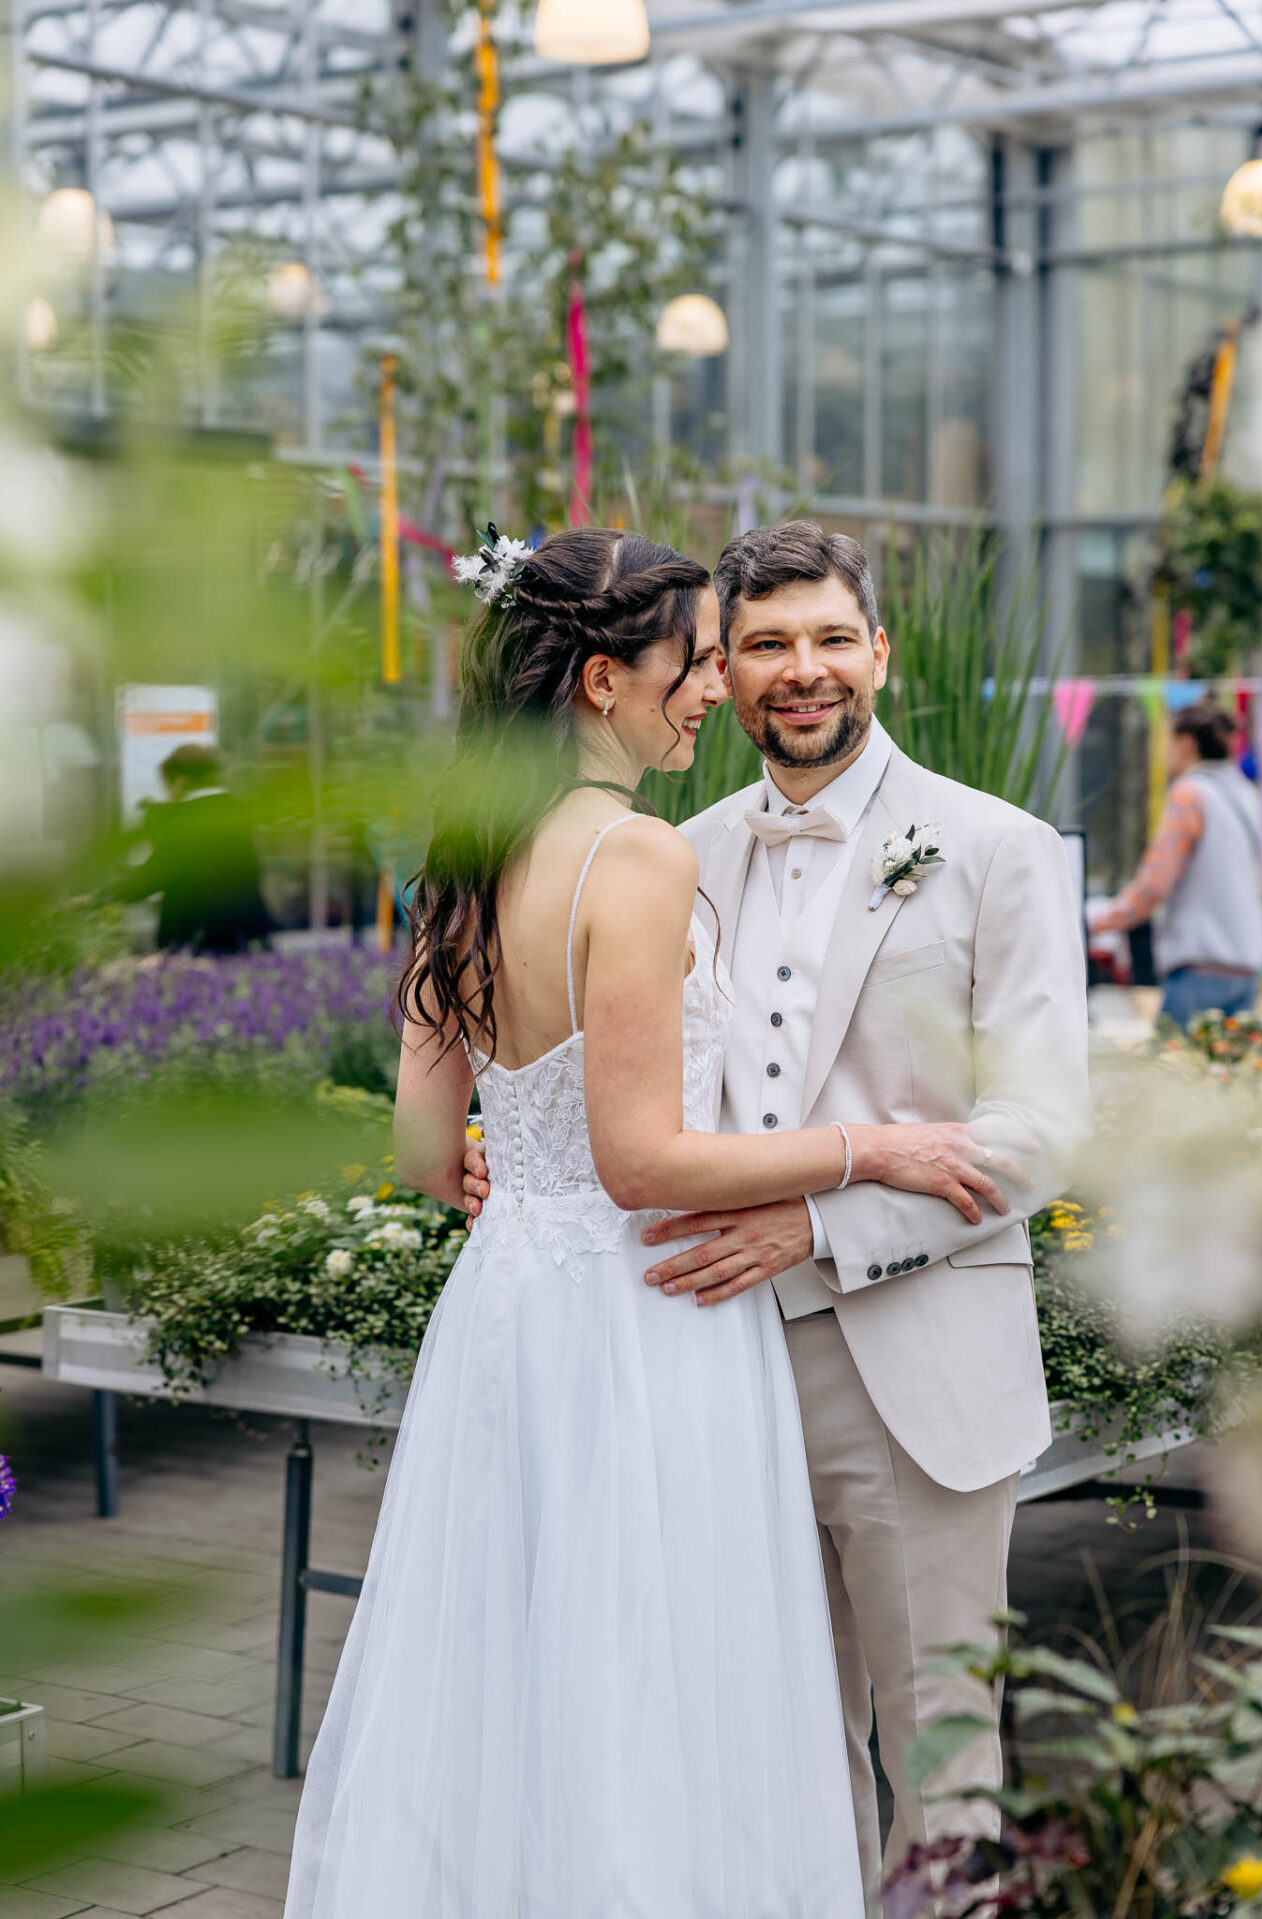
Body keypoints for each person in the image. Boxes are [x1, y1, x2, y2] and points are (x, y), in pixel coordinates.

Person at [283, 527, 1026, 1919]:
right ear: (601, 679)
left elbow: (422, 1146)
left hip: (512, 1312)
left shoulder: (466, 847)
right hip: (646, 1309)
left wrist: (528, 1177)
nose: (711, 693)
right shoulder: (636, 854)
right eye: (694, 661)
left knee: (520, 1668)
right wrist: (882, 1144)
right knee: (662, 1678)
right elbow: (641, 1161)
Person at [469, 522, 1091, 1900]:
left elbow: (1042, 1131)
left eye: (827, 637)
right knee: (753, 1755)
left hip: (918, 1374)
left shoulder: (998, 849)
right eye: (762, 644)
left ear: (880, 650)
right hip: (701, 1367)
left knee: (944, 1767)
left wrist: (819, 1227)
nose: (799, 670)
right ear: (721, 673)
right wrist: (494, 1153)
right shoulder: (664, 851)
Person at [1088, 699, 1262, 1028]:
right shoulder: (1247, 794)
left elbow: (1155, 883)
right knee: (1226, 1075)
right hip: (1247, 967)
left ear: (1185, 742)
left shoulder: (1190, 794)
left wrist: (1095, 923)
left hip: (1200, 969)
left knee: (1171, 1074)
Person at [107, 744, 272, 953]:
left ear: (180, 781)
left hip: (194, 935)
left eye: (166, 785)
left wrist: (99, 898)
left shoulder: (180, 818)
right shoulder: (239, 809)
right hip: (246, 932)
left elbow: (152, 877)